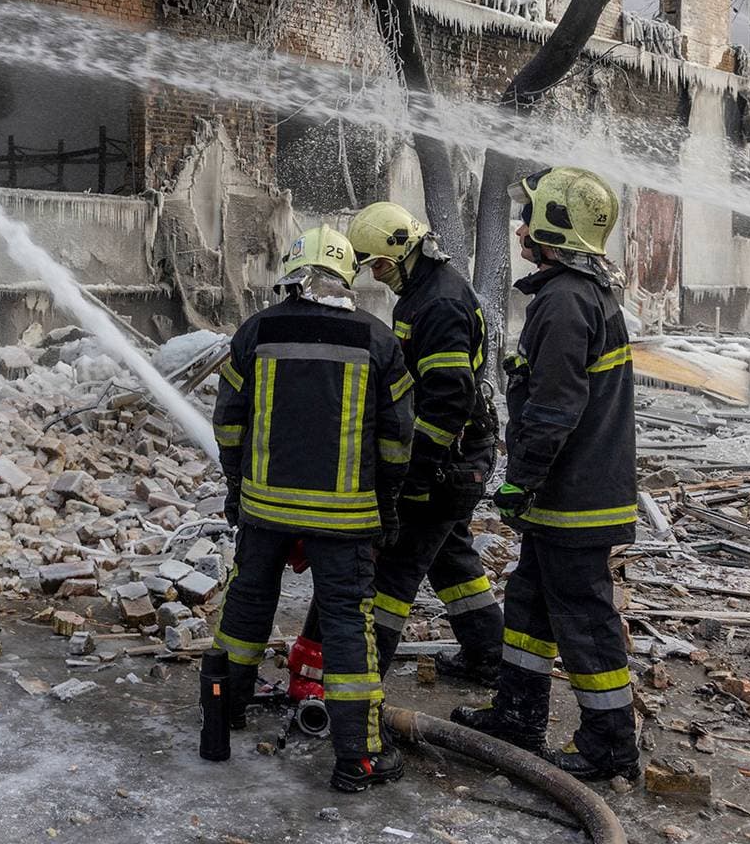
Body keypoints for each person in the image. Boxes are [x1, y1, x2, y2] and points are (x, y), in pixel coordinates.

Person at [207, 225, 416, 792]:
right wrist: (387, 507)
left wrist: (237, 489)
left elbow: (227, 422)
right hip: (345, 516)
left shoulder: (255, 330)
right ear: (346, 277)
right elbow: (398, 441)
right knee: (349, 623)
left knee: (247, 604)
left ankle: (222, 715)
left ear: (293, 274)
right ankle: (359, 758)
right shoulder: (377, 340)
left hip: (265, 507)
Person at [451, 166, 641, 782]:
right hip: (573, 494)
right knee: (529, 606)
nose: (520, 227)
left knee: (583, 621)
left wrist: (521, 481)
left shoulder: (564, 300)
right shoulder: (579, 293)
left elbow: (556, 408)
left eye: (530, 216)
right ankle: (518, 715)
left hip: (572, 497)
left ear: (555, 227)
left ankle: (610, 745)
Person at [345, 201, 503, 686]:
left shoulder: (439, 304)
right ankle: (489, 655)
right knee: (452, 558)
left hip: (446, 462)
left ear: (405, 252)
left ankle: (361, 679)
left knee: (395, 569)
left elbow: (447, 400)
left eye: (380, 264)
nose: (376, 273)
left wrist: (415, 474)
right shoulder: (423, 292)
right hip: (455, 457)